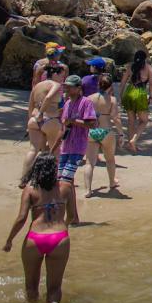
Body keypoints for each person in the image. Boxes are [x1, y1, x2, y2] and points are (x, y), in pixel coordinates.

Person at [4, 153, 70, 303]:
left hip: (35, 238)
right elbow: (72, 216)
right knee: (55, 288)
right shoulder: (66, 187)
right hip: (59, 238)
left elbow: (21, 218)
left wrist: (9, 240)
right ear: (55, 169)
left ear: (36, 168)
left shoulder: (30, 189)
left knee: (31, 286)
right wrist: (63, 228)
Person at [57, 75, 96, 224]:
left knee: (65, 182)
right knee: (63, 181)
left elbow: (92, 124)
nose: (67, 88)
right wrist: (55, 145)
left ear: (79, 88)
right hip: (65, 147)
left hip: (78, 146)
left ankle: (65, 217)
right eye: (66, 85)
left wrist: (74, 121)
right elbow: (64, 126)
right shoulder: (67, 103)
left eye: (70, 86)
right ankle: (73, 217)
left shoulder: (86, 103)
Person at [23, 64, 65, 180]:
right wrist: (41, 113)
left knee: (33, 150)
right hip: (50, 119)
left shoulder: (37, 86)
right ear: (55, 74)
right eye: (61, 76)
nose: (62, 79)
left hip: (34, 120)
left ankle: (24, 178)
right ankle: (53, 178)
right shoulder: (55, 85)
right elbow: (48, 98)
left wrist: (31, 120)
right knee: (55, 150)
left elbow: (30, 104)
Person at [84, 74, 121, 195]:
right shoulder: (112, 100)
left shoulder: (89, 98)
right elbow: (115, 118)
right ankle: (112, 182)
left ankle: (88, 190)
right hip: (106, 131)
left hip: (92, 131)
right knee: (110, 159)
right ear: (110, 87)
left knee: (90, 162)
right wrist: (121, 133)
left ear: (98, 84)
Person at [118, 49, 152, 153]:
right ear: (145, 58)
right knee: (144, 120)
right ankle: (134, 140)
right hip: (140, 93)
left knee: (131, 121)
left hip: (129, 92)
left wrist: (120, 96)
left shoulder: (130, 67)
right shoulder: (148, 68)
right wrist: (151, 95)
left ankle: (131, 144)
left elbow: (122, 83)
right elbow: (151, 84)